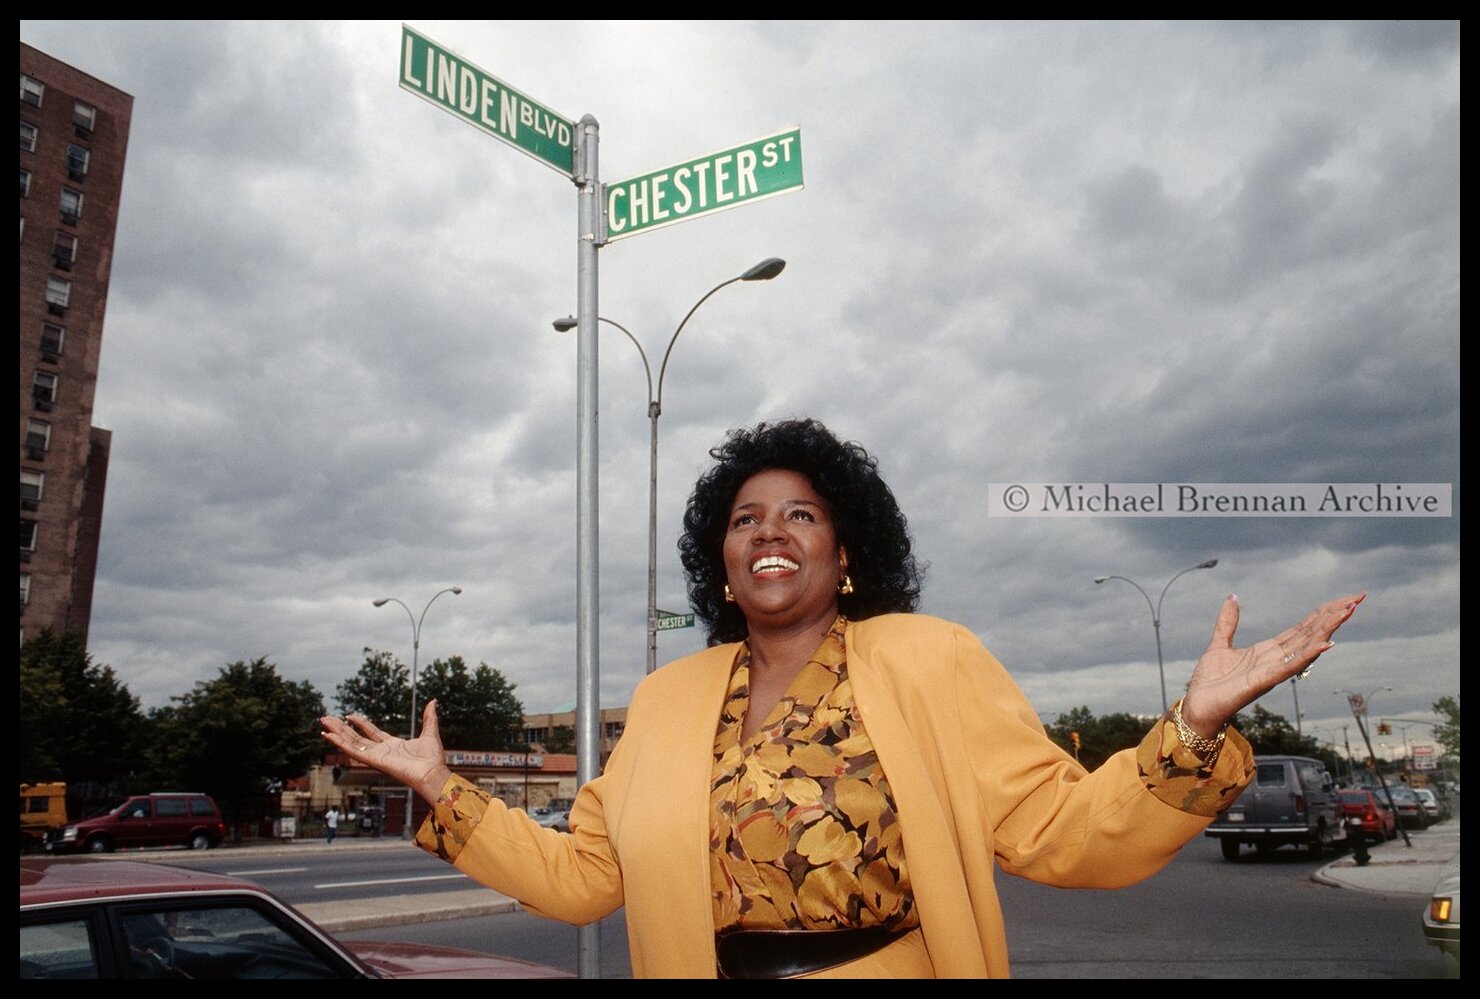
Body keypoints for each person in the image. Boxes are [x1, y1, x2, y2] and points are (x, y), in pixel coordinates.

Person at [322, 418, 1363, 978]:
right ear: (720, 562)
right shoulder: (668, 697)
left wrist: (1192, 729)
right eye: (745, 520)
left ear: (844, 552)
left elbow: (1062, 833)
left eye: (800, 515)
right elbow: (584, 879)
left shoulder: (927, 658)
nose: (769, 531)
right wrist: (443, 791)